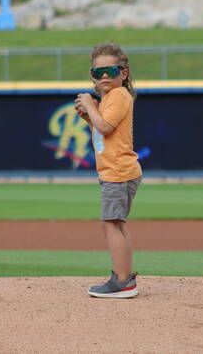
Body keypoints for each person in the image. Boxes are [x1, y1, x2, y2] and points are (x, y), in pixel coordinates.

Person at [74, 42, 142, 299]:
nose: (104, 76)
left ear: (123, 73)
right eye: (97, 72)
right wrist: (88, 114)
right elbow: (102, 127)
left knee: (110, 224)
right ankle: (123, 277)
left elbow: (105, 128)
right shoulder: (111, 98)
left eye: (110, 71)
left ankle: (122, 281)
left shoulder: (119, 95)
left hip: (118, 171)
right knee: (116, 224)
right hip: (118, 170)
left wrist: (91, 105)